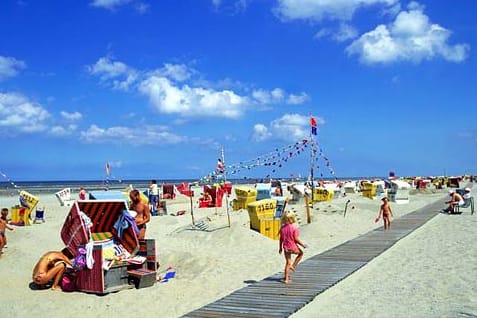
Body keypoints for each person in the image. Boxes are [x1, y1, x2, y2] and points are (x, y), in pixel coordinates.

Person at [279, 211, 307, 284]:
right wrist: (303, 245)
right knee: (300, 254)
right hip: (293, 247)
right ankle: (293, 265)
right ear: (292, 219)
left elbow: (281, 239)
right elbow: (296, 239)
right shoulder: (294, 228)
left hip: (285, 248)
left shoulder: (282, 228)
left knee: (287, 262)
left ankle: (286, 279)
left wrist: (280, 248)